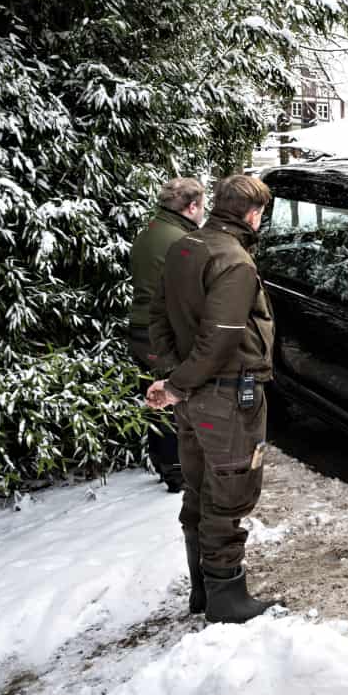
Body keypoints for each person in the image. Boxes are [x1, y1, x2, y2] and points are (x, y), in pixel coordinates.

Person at [146, 174, 277, 623]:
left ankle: (202, 590)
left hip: (193, 397)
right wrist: (180, 384)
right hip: (227, 397)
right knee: (230, 490)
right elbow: (221, 337)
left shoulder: (185, 247)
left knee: (199, 489)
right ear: (253, 214)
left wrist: (173, 378)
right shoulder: (235, 261)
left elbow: (157, 316)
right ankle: (227, 599)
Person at [128, 177, 205, 492]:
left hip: (138, 327)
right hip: (163, 331)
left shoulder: (149, 231)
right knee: (172, 396)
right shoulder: (182, 241)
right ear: (191, 207)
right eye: (202, 206)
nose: (203, 213)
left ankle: (164, 463)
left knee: (153, 395)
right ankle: (178, 472)